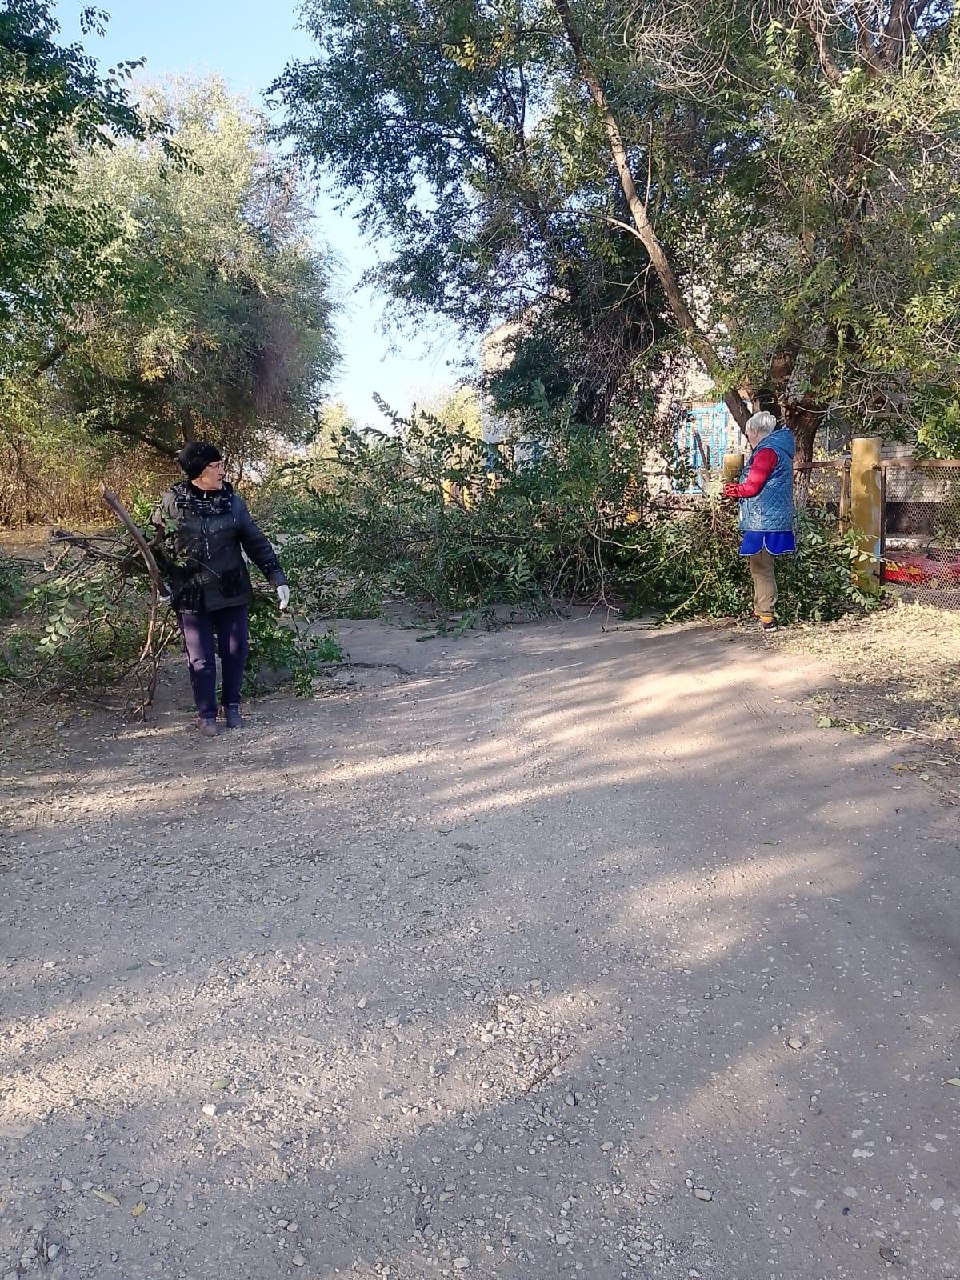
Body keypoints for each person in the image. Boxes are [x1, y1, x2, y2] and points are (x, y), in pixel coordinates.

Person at [152, 442, 290, 736]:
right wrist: (161, 583)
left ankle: (233, 706)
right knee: (200, 659)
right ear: (199, 471)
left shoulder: (234, 504)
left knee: (236, 650)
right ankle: (206, 714)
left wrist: (277, 577)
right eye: (216, 466)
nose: (222, 471)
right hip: (190, 593)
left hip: (231, 590)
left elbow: (256, 543)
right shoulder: (172, 504)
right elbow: (156, 548)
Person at [723, 410, 796, 632]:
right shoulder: (780, 449)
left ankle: (767, 617)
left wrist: (730, 489)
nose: (749, 439)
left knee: (762, 568)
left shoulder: (767, 452)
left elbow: (752, 487)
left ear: (755, 431)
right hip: (771, 519)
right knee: (762, 567)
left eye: (748, 434)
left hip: (763, 522)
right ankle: (762, 612)